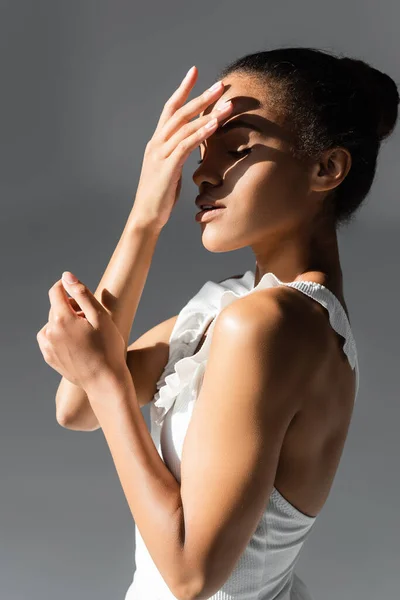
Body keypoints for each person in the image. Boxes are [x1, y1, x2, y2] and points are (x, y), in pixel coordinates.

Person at [56, 47, 399, 599]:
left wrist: (104, 379)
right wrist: (146, 215)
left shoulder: (271, 324)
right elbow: (76, 406)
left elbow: (193, 577)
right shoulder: (237, 307)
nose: (203, 173)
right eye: (200, 151)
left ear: (326, 168)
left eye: (237, 149)